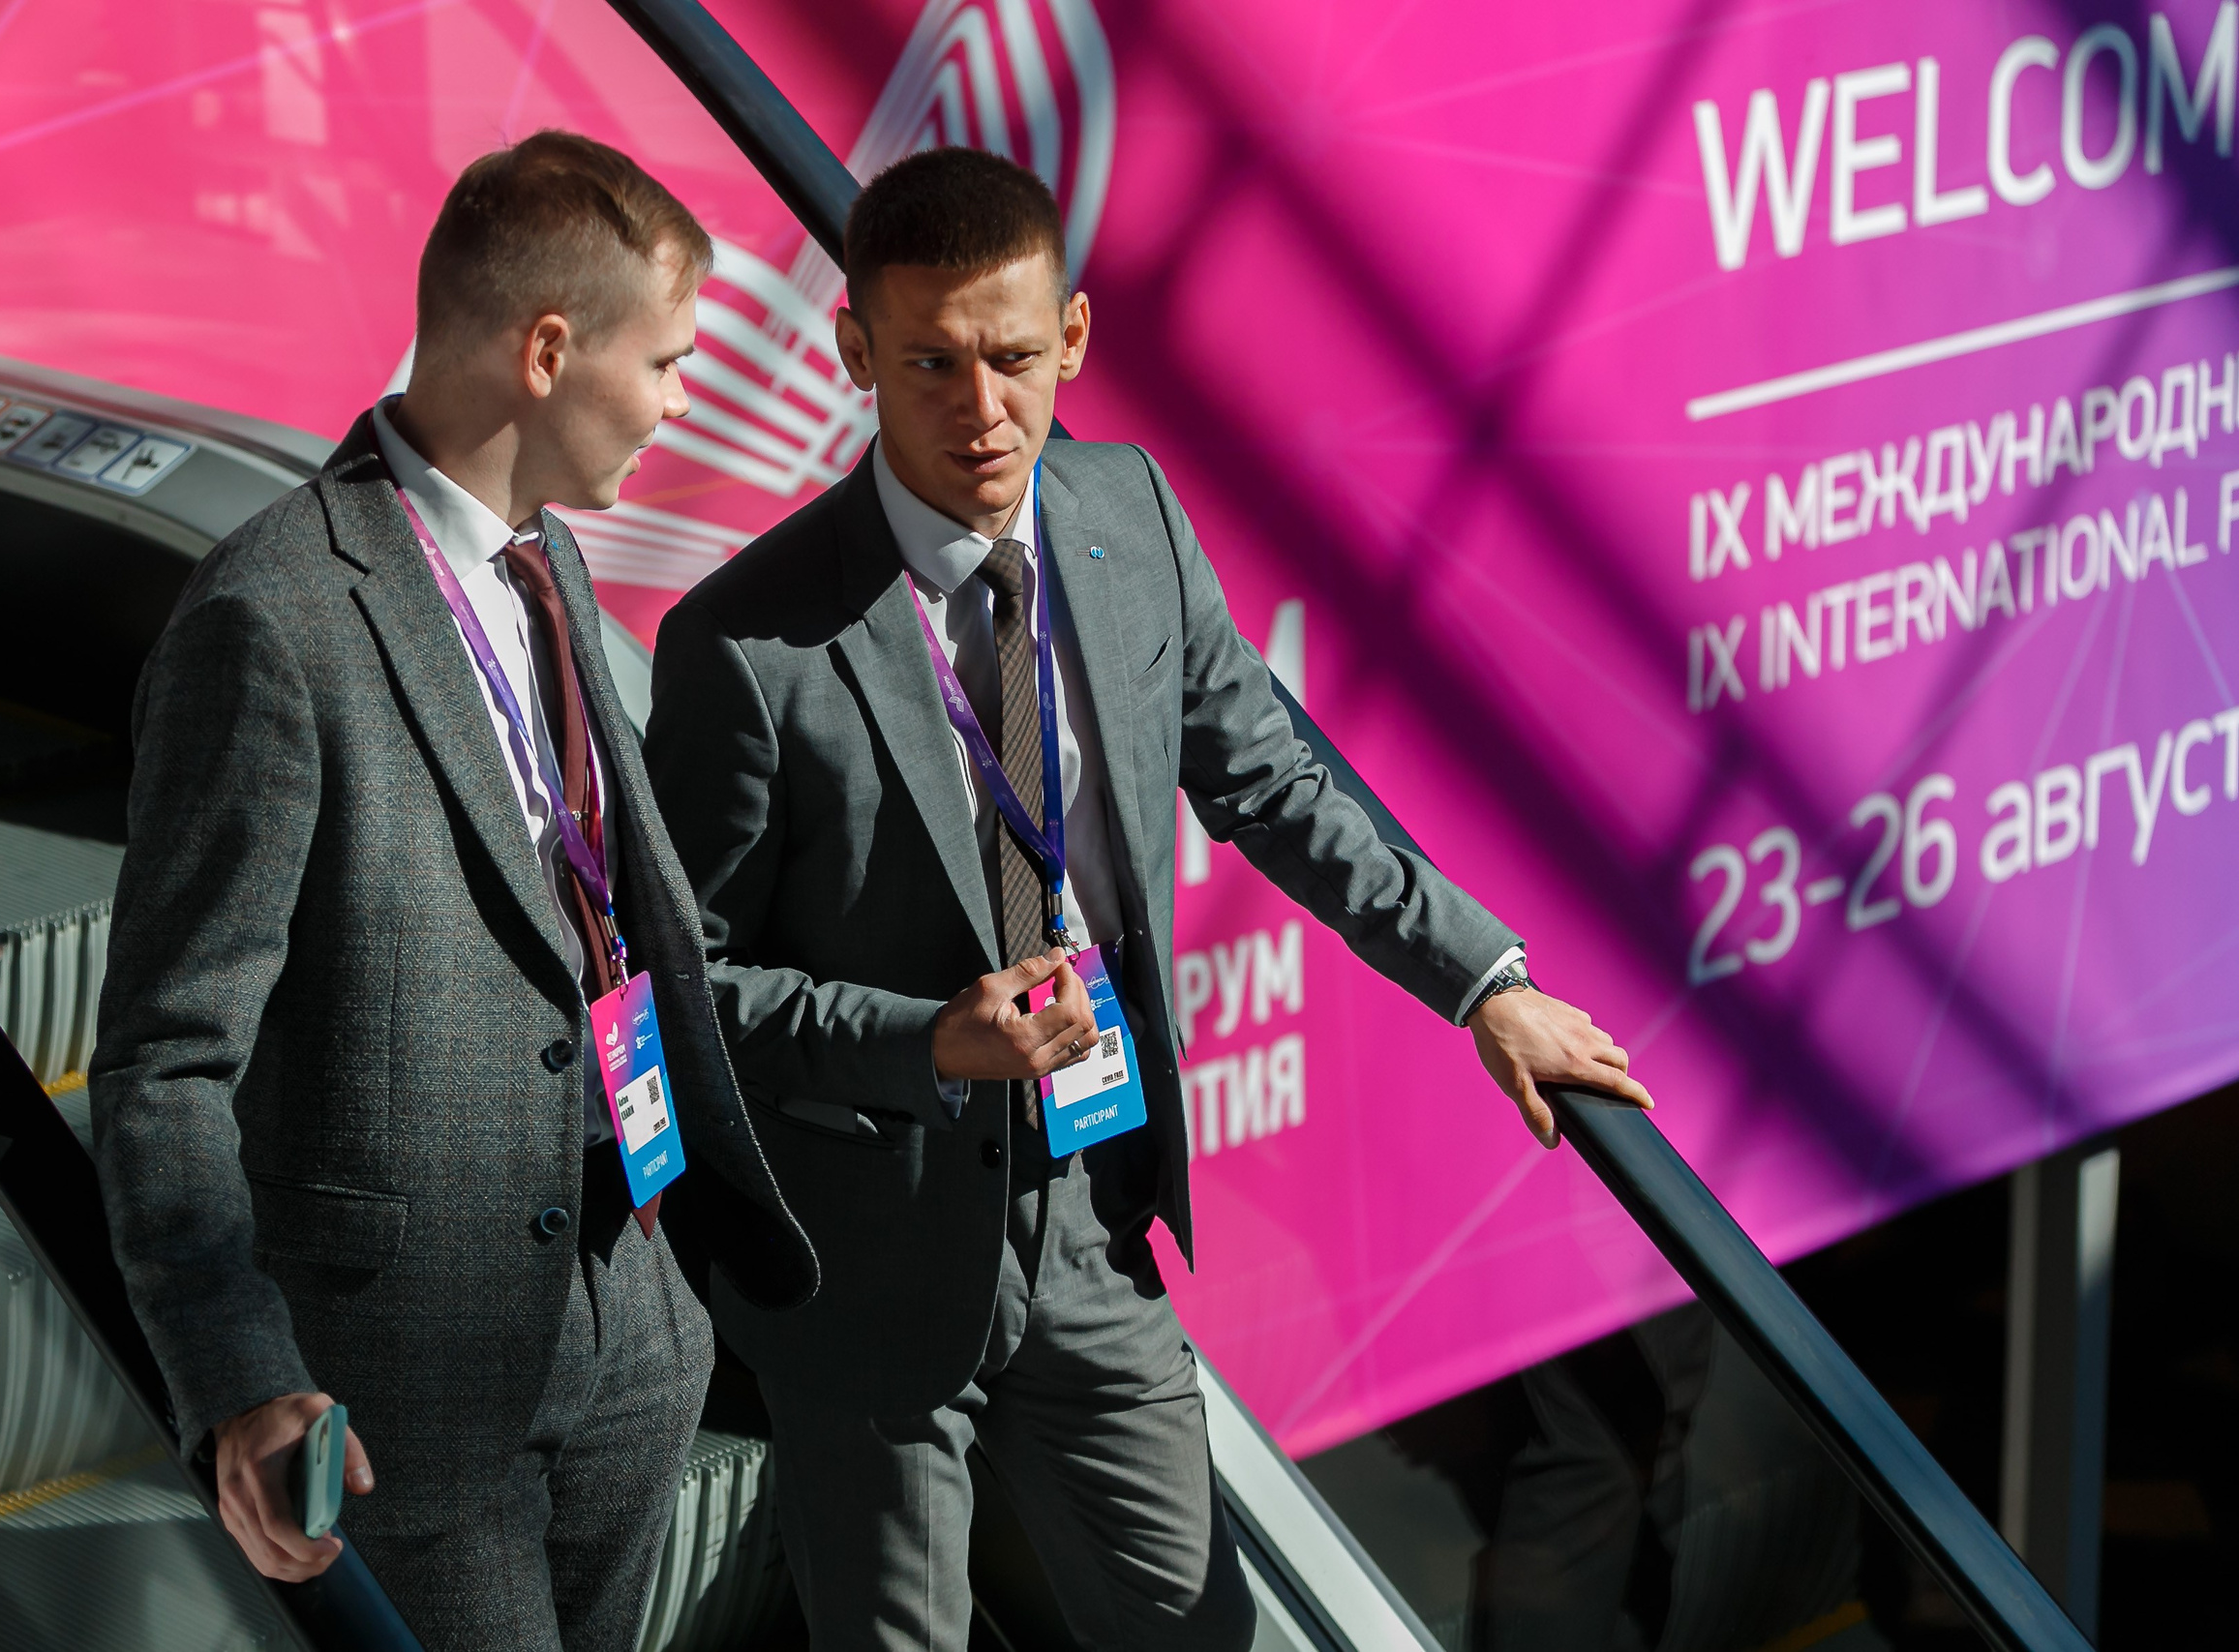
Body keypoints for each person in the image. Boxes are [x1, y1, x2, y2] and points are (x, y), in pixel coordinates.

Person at [642, 146, 1654, 1652]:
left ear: (1078, 339)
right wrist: (926, 1039)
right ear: (855, 350)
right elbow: (690, 1001)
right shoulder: (746, 643)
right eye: (929, 363)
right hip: (870, 1260)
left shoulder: (1131, 515)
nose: (982, 412)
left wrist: (1482, 983)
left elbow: (1276, 787)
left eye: (1015, 359)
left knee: (1198, 1634)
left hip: (1094, 1220)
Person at [91, 132, 813, 1652]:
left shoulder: (548, 565)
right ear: (548, 353)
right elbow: (167, 1059)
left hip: (635, 1318)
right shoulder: (269, 619)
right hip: (411, 1383)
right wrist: (241, 1377)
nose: (684, 405)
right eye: (668, 365)